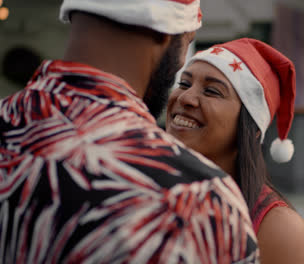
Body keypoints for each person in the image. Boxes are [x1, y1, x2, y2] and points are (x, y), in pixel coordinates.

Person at [0, 1, 259, 263]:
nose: (186, 97)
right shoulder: (196, 201)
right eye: (188, 41)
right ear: (166, 29)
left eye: (212, 90)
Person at [166, 38, 304, 263]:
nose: (185, 98)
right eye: (185, 84)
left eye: (212, 91)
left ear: (252, 128)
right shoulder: (137, 188)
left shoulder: (279, 230)